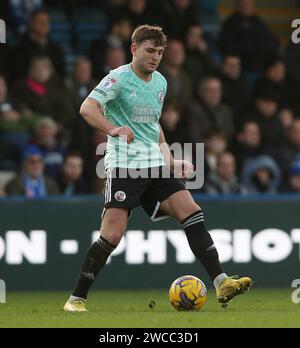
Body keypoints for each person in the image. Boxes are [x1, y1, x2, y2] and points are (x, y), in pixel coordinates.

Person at [63, 25, 252, 313]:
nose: (155, 57)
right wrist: (112, 128)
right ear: (134, 49)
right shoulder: (118, 79)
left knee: (192, 212)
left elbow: (154, 128)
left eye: (160, 52)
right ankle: (76, 298)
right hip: (126, 166)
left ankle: (222, 281)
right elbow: (87, 109)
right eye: (150, 51)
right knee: (112, 236)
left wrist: (171, 160)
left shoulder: (160, 82)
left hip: (155, 165)